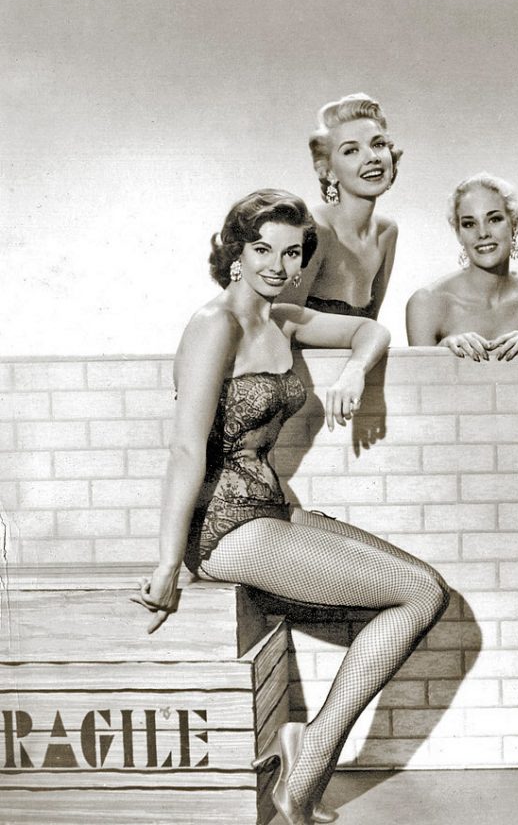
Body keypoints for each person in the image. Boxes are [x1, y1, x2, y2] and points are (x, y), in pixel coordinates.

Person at [132, 189, 449, 825]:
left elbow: (371, 329)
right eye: (263, 249)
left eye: (293, 252)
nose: (279, 265)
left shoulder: (282, 319)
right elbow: (187, 448)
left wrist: (354, 371)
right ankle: (306, 770)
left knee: (427, 589)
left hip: (271, 509)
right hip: (225, 526)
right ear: (236, 252)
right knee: (416, 594)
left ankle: (303, 754)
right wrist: (167, 564)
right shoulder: (214, 325)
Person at [405, 172, 518, 359]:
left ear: (515, 224)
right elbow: (422, 376)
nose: (483, 233)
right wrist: (442, 352)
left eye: (494, 219)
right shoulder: (427, 304)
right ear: (459, 234)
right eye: (469, 224)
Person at [279, 94, 401, 319]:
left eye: (378, 144)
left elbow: (370, 321)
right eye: (351, 150)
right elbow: (280, 321)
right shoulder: (316, 229)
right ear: (329, 171)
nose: (372, 157)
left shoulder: (387, 232)